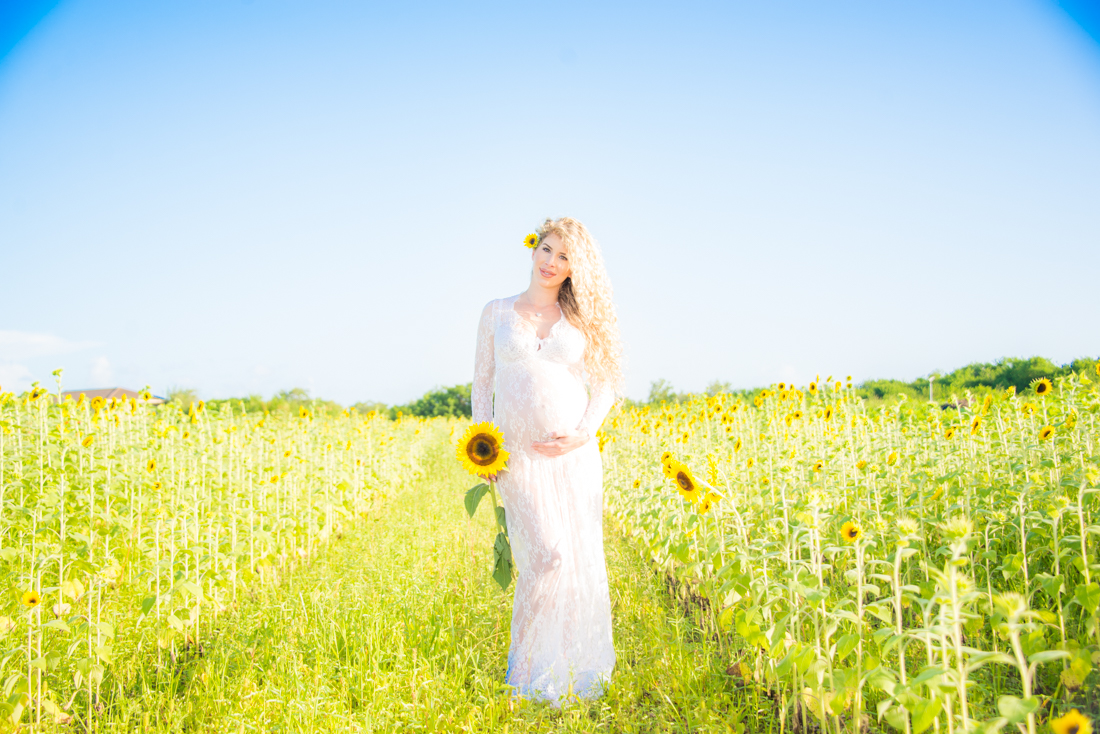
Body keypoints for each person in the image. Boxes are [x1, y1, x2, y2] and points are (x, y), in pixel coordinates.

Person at [471, 216, 623, 705]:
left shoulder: (577, 321)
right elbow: (481, 385)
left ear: (575, 270)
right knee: (546, 558)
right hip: (517, 459)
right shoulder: (496, 313)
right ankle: (526, 677)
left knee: (572, 559)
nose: (551, 263)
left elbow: (606, 383)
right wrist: (482, 448)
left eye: (564, 258)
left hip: (572, 459)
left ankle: (566, 670)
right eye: (547, 250)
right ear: (533, 248)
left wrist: (583, 435)